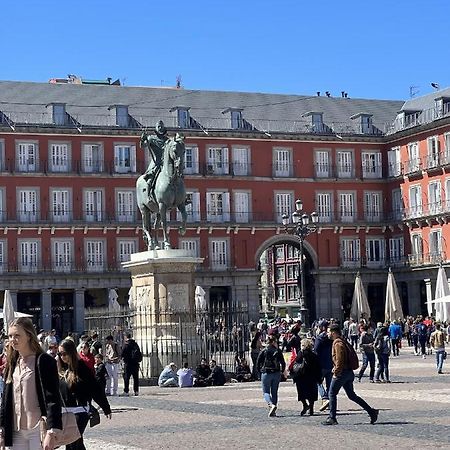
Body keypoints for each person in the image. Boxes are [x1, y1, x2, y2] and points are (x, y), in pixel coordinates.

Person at [0, 317, 63, 449]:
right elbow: (5, 399)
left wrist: (51, 431)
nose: (12, 340)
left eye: (17, 335)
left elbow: (53, 397)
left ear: (29, 335)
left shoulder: (44, 361)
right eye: (10, 336)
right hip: (15, 430)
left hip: (37, 429)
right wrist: (2, 428)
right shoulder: (12, 362)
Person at [57, 339, 112, 450]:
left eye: (64, 354)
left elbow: (95, 389)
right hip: (66, 412)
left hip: (80, 411)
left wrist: (106, 408)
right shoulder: (62, 370)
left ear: (71, 353)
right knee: (74, 443)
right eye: (60, 354)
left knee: (73, 442)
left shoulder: (82, 369)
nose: (62, 357)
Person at [322, 324, 378, 426]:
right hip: (348, 373)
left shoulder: (337, 343)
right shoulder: (343, 341)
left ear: (334, 333)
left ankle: (332, 417)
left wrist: (336, 373)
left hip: (342, 373)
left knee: (332, 393)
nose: (327, 334)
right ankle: (371, 411)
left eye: (329, 332)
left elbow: (339, 360)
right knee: (352, 395)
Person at [256, 335, 286, 418]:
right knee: (274, 392)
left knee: (266, 392)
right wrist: (282, 371)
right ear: (273, 342)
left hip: (266, 372)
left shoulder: (264, 351)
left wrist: (259, 372)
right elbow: (283, 362)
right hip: (276, 373)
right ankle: (274, 409)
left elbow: (258, 362)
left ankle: (270, 404)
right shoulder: (278, 351)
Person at [292, 338, 322, 416]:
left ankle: (305, 405)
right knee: (311, 394)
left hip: (301, 377)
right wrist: (319, 378)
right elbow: (318, 367)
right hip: (312, 377)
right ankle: (311, 409)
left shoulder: (300, 353)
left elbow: (296, 364)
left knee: (302, 393)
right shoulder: (314, 355)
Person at [141, 120, 169, 192]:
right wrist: (143, 139)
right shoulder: (151, 138)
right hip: (157, 162)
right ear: (156, 128)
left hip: (166, 162)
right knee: (152, 176)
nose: (160, 128)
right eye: (159, 126)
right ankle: (148, 192)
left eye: (161, 126)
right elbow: (143, 145)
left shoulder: (167, 140)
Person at [314, 319, 333, 411]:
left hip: (321, 364)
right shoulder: (331, 338)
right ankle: (330, 402)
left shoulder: (319, 338)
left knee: (318, 382)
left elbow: (316, 351)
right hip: (330, 363)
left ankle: (325, 398)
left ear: (321, 327)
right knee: (329, 384)